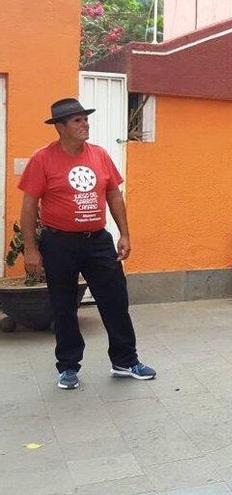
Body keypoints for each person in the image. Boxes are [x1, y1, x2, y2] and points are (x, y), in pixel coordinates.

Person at [19, 98, 156, 390]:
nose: (85, 124)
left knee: (116, 300)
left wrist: (125, 233)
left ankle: (125, 360)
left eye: (85, 119)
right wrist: (31, 249)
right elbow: (29, 205)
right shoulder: (42, 159)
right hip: (59, 243)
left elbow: (114, 195)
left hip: (98, 241)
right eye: (77, 120)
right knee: (63, 305)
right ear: (60, 127)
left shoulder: (100, 155)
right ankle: (68, 366)